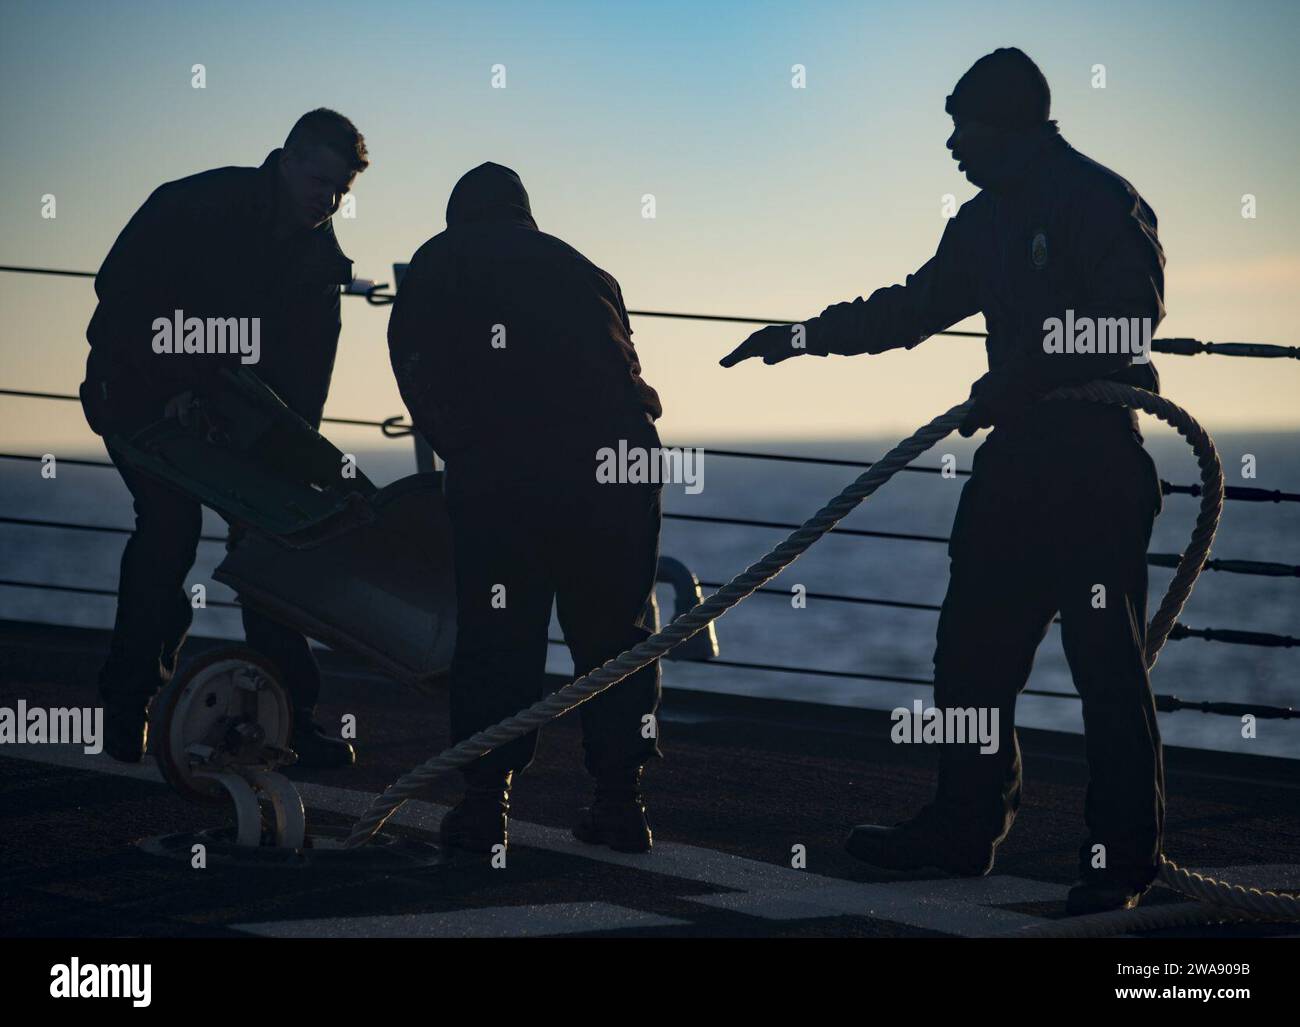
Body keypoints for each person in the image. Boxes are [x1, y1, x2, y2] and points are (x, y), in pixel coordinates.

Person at [721, 48, 1166, 915]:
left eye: (965, 127)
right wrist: (804, 336)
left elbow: (1130, 317)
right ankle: (963, 826)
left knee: (1105, 669)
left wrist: (1020, 376)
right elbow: (914, 309)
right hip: (1018, 467)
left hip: (1093, 464)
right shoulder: (984, 221)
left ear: (1013, 124)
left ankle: (1120, 862)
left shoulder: (1100, 198)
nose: (954, 146)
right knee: (969, 655)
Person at [388, 162, 664, 856]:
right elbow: (625, 371)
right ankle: (620, 802)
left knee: (499, 635)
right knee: (616, 638)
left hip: (508, 472)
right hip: (620, 462)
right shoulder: (588, 269)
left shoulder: (439, 258)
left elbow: (416, 366)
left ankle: (485, 806)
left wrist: (465, 451)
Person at [80, 109, 368, 769]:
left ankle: (290, 718)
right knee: (168, 529)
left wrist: (298, 467)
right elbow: (120, 297)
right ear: (287, 159)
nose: (327, 200)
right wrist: (175, 385)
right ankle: (127, 708)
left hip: (235, 421)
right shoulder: (195, 205)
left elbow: (303, 390)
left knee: (271, 545)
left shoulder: (322, 265)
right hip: (136, 396)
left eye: (341, 191)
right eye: (319, 180)